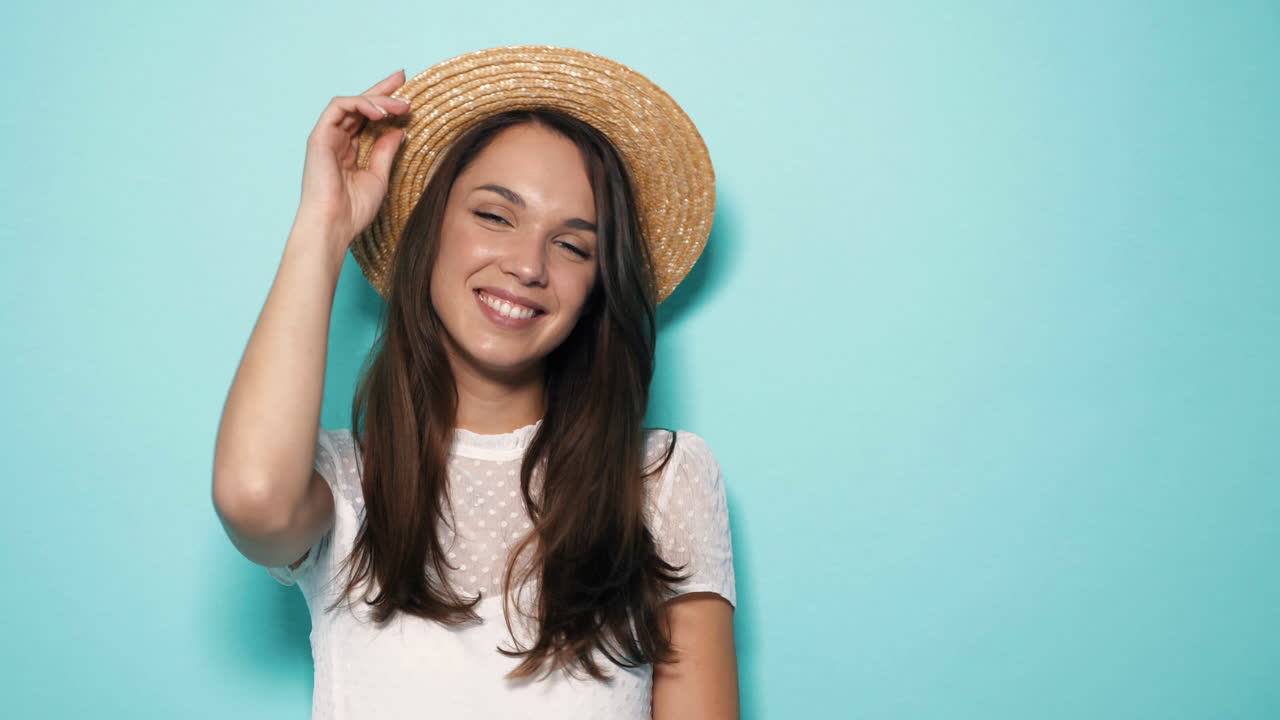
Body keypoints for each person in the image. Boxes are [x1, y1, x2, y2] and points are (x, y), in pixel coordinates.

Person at [212, 46, 737, 719]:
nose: (528, 265)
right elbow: (254, 498)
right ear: (430, 230)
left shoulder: (662, 481)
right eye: (494, 216)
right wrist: (325, 223)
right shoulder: (345, 484)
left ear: (597, 289)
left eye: (573, 245)